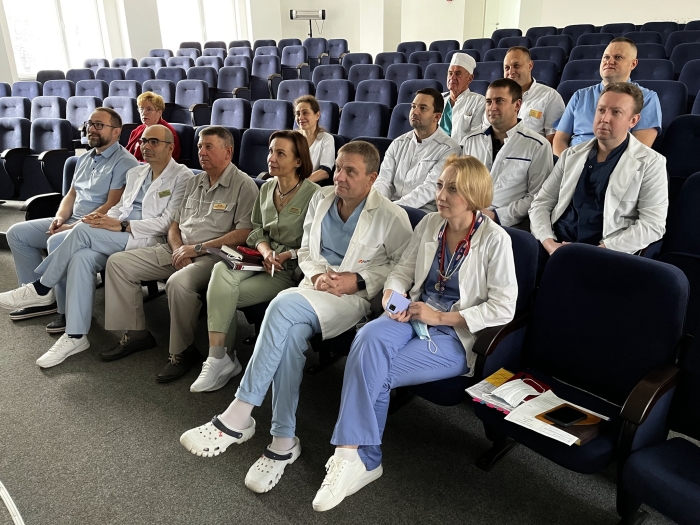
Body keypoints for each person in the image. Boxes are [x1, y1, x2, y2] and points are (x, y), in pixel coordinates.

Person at [179, 141, 413, 495]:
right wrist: (317, 273)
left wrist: (359, 280)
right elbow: (306, 249)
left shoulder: (391, 215)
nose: (341, 177)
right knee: (287, 338)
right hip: (314, 287)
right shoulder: (322, 199)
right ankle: (282, 441)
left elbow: (402, 269)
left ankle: (239, 415)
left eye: (351, 171)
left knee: (282, 306)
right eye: (338, 168)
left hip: (349, 299)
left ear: (373, 177)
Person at [311, 155, 518, 512]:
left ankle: (361, 459)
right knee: (368, 339)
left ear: (472, 195)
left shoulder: (494, 240)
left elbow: (504, 307)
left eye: (451, 188)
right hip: (412, 314)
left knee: (377, 373)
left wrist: (441, 317)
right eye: (439, 185)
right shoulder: (430, 225)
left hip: (453, 334)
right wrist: (392, 295)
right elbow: (402, 270)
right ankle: (352, 456)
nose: (441, 195)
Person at [0, 125, 192, 367]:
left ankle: (41, 287)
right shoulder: (137, 173)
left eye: (154, 142)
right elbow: (119, 207)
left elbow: (166, 223)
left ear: (170, 147)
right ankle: (76, 334)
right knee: (80, 258)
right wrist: (104, 219)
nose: (146, 146)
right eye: (144, 141)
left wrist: (120, 225)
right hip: (118, 231)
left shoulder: (183, 176)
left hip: (146, 237)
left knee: (80, 230)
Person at [101, 126, 258, 382]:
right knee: (118, 263)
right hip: (177, 248)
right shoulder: (194, 180)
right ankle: (137, 333)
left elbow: (244, 233)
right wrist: (178, 249)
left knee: (178, 283)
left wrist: (197, 249)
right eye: (199, 147)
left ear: (228, 151)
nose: (201, 152)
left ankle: (181, 352)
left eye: (209, 147)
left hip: (213, 257)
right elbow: (173, 224)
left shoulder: (243, 185)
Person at [190, 130, 320, 393]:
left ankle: (224, 360)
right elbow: (257, 230)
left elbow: (314, 242)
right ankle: (217, 357)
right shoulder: (267, 188)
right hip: (259, 260)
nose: (271, 158)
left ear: (298, 161)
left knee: (223, 295)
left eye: (280, 153)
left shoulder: (314, 194)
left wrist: (286, 255)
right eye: (270, 151)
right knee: (220, 269)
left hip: (286, 269)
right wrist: (264, 250)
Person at [2, 107, 137, 324]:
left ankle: (66, 311)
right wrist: (59, 218)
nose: (91, 129)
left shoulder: (126, 162)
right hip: (72, 220)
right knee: (17, 233)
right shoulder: (84, 158)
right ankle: (39, 298)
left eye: (99, 125)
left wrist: (73, 227)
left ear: (116, 132)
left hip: (96, 227)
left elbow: (112, 204)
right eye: (89, 124)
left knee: (56, 240)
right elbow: (71, 194)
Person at [530, 83, 668, 271]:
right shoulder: (571, 155)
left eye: (616, 112)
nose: (604, 118)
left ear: (633, 120)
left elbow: (653, 225)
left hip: (606, 253)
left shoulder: (652, 163)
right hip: (554, 245)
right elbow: (541, 203)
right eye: (601, 110)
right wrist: (549, 243)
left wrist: (601, 250)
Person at [462, 78, 553, 228]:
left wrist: (497, 215)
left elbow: (538, 196)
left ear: (517, 105)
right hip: (468, 217)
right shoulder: (471, 140)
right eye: (489, 102)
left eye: (499, 101)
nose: (492, 107)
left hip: (508, 225)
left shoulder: (537, 145)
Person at [552, 37, 662, 156]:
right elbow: (560, 139)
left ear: (633, 64)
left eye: (618, 57)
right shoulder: (580, 95)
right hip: (572, 162)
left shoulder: (647, 98)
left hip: (615, 165)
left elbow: (639, 149)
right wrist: (565, 166)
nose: (610, 61)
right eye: (606, 57)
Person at [375, 88, 460, 211]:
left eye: (423, 108)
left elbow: (430, 188)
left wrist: (393, 209)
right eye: (413, 106)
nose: (415, 111)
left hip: (421, 211)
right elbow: (383, 180)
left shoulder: (449, 149)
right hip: (390, 206)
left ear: (436, 117)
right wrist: (378, 203)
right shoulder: (398, 143)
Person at [500, 46, 565, 143]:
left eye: (516, 66)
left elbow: (554, 138)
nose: (511, 72)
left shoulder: (550, 96)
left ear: (530, 66)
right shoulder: (497, 98)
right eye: (507, 68)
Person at [439, 52, 485, 144]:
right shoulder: (438, 98)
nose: (452, 77)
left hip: (461, 154)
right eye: (450, 73)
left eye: (458, 74)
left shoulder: (479, 102)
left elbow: (475, 137)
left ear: (470, 78)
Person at [125, 91, 181, 162]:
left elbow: (164, 160)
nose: (144, 113)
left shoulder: (166, 132)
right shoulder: (137, 130)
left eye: (149, 109)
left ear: (159, 112)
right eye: (141, 109)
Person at [294, 95, 335, 185]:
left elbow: (325, 172)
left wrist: (300, 184)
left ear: (317, 115)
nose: (300, 117)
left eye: (305, 113)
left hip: (309, 186)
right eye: (298, 114)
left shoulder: (327, 138)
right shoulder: (293, 137)